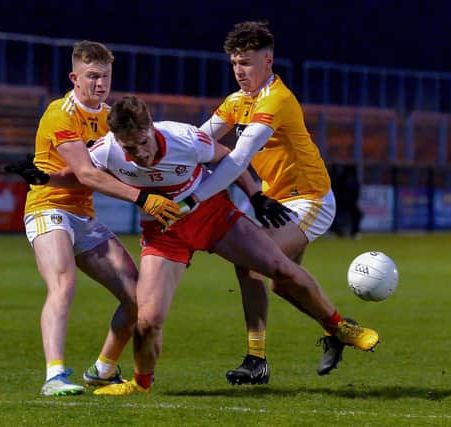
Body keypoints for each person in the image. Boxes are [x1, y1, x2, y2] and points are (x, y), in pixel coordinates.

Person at [87, 95, 378, 396]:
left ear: (151, 127)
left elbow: (230, 159)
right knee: (148, 321)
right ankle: (140, 384)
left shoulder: (183, 138)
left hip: (213, 215)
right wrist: (45, 174)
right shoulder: (108, 149)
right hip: (165, 232)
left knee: (279, 267)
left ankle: (340, 327)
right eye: (129, 148)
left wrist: (255, 196)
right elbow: (81, 172)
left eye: (143, 143)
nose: (140, 154)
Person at [183, 21, 368, 382]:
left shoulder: (277, 100)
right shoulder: (237, 101)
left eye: (247, 63)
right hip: (275, 201)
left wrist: (195, 199)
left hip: (309, 199)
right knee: (282, 283)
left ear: (267, 61)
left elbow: (237, 157)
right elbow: (199, 141)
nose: (239, 71)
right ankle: (336, 330)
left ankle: (257, 360)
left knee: (251, 260)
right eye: (235, 63)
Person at [8, 40, 180, 396]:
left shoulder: (109, 119)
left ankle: (103, 369)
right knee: (63, 284)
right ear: (74, 77)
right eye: (92, 76)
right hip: (48, 208)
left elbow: (120, 166)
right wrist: (145, 199)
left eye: (105, 76)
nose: (100, 84)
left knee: (138, 298)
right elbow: (86, 174)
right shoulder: (60, 113)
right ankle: (54, 375)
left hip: (83, 216)